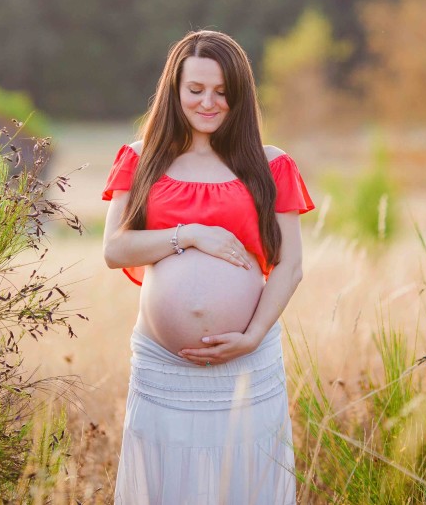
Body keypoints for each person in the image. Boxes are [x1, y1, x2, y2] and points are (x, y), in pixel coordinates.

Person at [101, 30, 315, 504]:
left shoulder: (270, 164)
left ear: (239, 95)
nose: (208, 102)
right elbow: (115, 249)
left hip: (248, 361)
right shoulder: (140, 160)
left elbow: (290, 265)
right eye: (195, 89)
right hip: (163, 367)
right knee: (167, 484)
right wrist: (191, 234)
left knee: (244, 480)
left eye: (222, 91)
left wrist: (252, 336)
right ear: (174, 91)